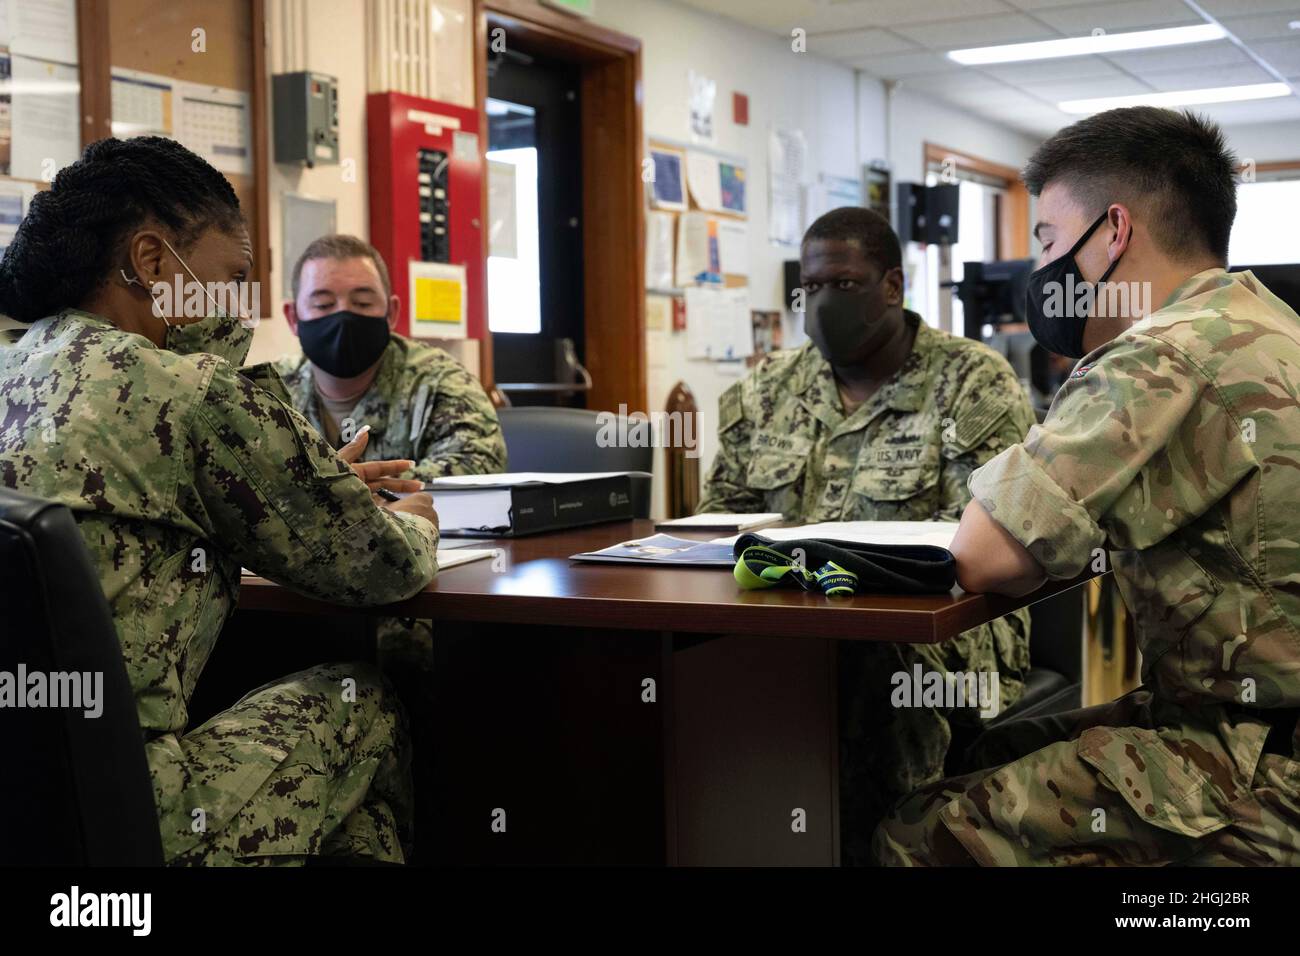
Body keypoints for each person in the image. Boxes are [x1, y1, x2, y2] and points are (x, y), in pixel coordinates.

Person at [874, 107, 1300, 866]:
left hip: (1256, 764)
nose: (1041, 274)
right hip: (1250, 724)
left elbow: (983, 557)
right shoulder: (1267, 322)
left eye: (1046, 242)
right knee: (990, 749)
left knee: (910, 833)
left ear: (1113, 231)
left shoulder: (1157, 355)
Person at [0, 136, 441, 865]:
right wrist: (409, 521)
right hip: (131, 814)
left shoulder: (21, 366)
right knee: (365, 709)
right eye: (232, 278)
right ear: (151, 263)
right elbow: (383, 566)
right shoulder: (192, 388)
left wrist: (306, 486)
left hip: (25, 807)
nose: (238, 309)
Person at [698, 206, 1035, 865]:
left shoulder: (973, 382)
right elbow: (723, 522)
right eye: (811, 287)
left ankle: (889, 850)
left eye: (844, 284)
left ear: (892, 286)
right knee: (689, 661)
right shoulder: (766, 388)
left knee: (873, 665)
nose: (824, 301)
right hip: (790, 617)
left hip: (957, 630)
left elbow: (995, 545)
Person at [277, 234, 506, 479]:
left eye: (363, 303)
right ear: (293, 318)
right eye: (323, 304)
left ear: (391, 313)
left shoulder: (439, 382)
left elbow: (478, 467)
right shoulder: (270, 391)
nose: (343, 316)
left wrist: (346, 492)